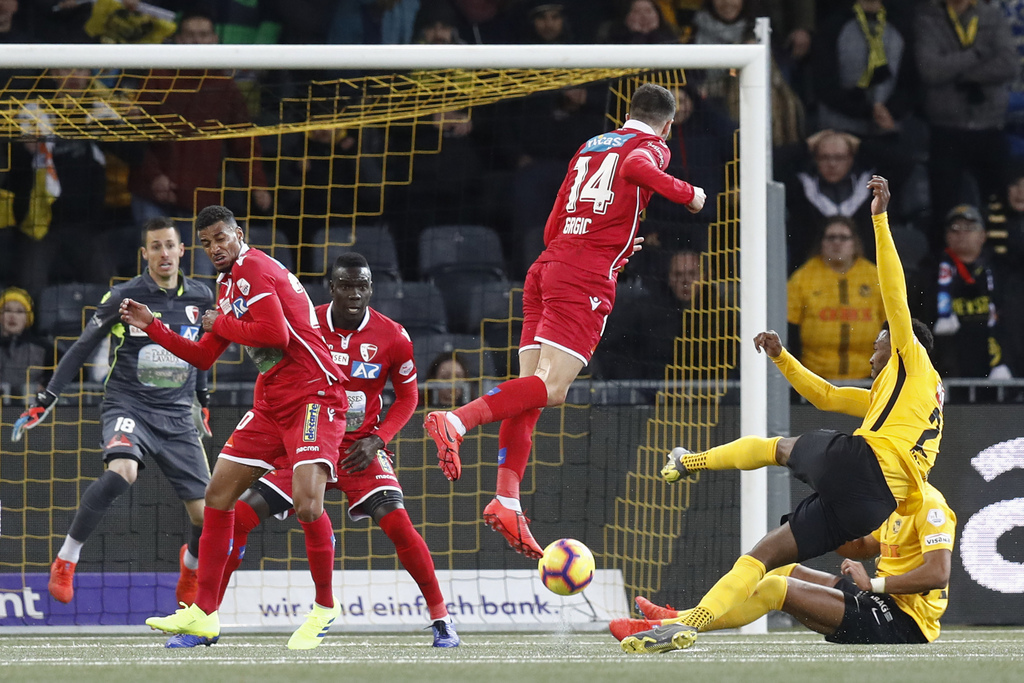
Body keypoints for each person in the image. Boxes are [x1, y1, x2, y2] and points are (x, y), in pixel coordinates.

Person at [622, 176, 944, 653]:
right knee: (767, 555)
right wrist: (781, 357)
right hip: (875, 505)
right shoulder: (911, 396)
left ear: (895, 346)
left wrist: (879, 218)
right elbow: (829, 397)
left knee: (777, 446)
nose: (874, 352)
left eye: (879, 344)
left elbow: (893, 291)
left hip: (865, 464)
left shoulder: (909, 356)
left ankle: (687, 462)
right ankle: (690, 621)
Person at [424, 83, 706, 559]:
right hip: (582, 278)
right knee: (553, 390)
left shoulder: (592, 145)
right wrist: (690, 194)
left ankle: (506, 499)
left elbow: (557, 220)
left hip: (549, 263)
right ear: (668, 125)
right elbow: (638, 169)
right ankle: (456, 419)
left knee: (529, 391)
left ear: (627, 113)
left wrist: (610, 247)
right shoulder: (650, 147)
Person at [169, 253, 460, 648]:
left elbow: (408, 397)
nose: (355, 294)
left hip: (359, 450)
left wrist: (381, 438)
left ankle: (442, 618)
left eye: (362, 286)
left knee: (397, 522)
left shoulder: (393, 336)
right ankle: (206, 618)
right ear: (332, 288)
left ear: (371, 288)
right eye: (346, 285)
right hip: (306, 439)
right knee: (237, 515)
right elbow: (273, 367)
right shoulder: (304, 322)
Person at [118, 205, 348, 650]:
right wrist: (153, 326)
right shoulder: (227, 285)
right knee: (218, 495)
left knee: (305, 505)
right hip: (272, 401)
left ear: (238, 235)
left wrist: (219, 322)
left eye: (221, 238)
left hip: (314, 395)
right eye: (206, 243)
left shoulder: (255, 269)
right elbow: (204, 356)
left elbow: (275, 335)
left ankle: (324, 606)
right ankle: (204, 614)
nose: (215, 248)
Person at [11, 218, 214, 607]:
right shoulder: (124, 297)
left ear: (182, 250)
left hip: (176, 415)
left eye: (170, 246)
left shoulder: (202, 297)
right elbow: (83, 346)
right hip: (129, 405)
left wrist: (202, 400)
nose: (164, 253)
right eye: (155, 247)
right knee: (123, 470)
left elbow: (202, 353)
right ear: (145, 254)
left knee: (207, 516)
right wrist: (47, 398)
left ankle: (189, 570)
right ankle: (66, 560)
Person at [614, 479, 955, 646]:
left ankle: (671, 626)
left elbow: (939, 573)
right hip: (880, 601)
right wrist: (832, 524)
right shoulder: (894, 497)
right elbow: (867, 545)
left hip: (905, 623)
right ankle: (677, 618)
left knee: (778, 588)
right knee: (780, 568)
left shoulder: (930, 505)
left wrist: (873, 584)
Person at [915, 0, 1017, 249]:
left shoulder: (991, 17)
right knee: (944, 205)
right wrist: (977, 54)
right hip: (947, 127)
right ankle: (942, 265)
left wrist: (961, 73)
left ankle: (1001, 263)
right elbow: (930, 69)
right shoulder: (927, 19)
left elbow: (1009, 64)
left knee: (1000, 202)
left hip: (990, 125)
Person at [912, 204, 1013, 383]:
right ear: (946, 235)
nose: (961, 234)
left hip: (993, 365)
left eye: (969, 228)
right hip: (946, 367)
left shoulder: (1001, 271)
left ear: (983, 235)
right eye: (955, 229)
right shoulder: (929, 272)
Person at [787, 216, 885, 380]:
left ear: (854, 243)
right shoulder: (803, 278)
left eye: (844, 238)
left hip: (868, 376)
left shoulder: (875, 276)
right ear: (822, 243)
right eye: (831, 237)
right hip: (815, 377)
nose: (837, 243)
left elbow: (889, 325)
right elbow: (790, 328)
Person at [784, 129, 876, 268]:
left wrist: (861, 146)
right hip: (809, 279)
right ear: (815, 159)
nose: (832, 164)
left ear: (851, 158)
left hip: (864, 278)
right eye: (824, 157)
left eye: (839, 157)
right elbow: (771, 165)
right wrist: (806, 146)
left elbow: (903, 163)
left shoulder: (871, 188)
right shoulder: (801, 190)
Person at [0, 286, 48, 403]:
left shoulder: (43, 349)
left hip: (31, 411)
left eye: (19, 311)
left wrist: (46, 384)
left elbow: (76, 371)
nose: (12, 316)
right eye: (7, 310)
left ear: (28, 318)